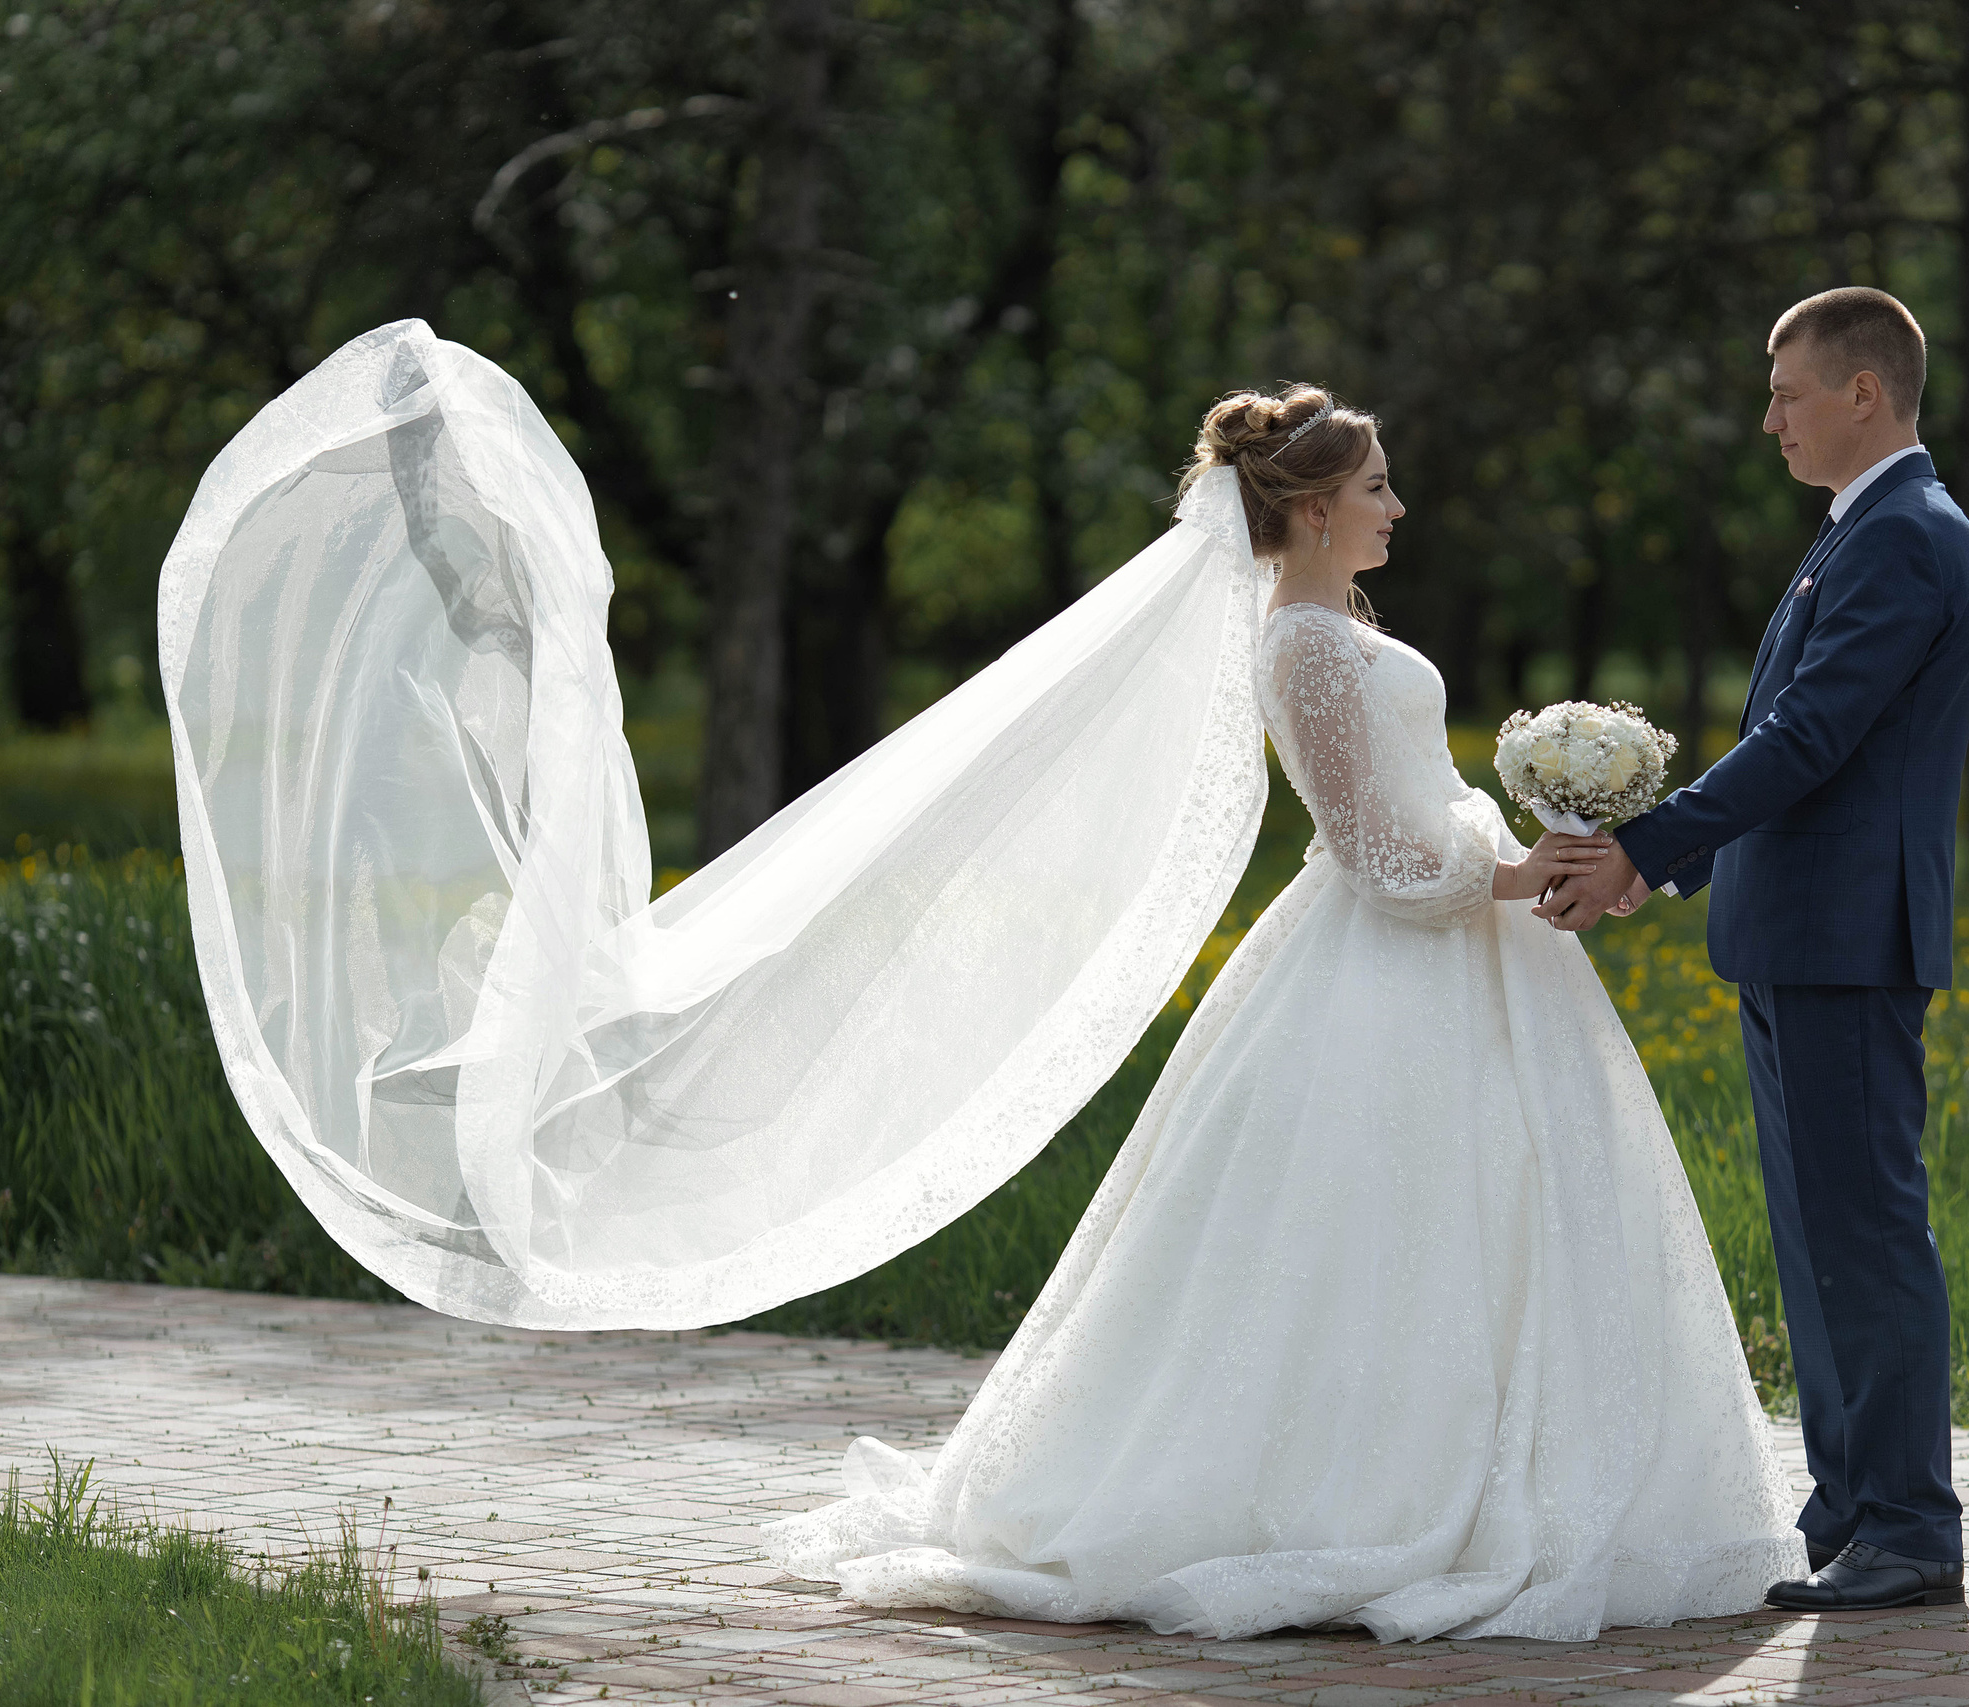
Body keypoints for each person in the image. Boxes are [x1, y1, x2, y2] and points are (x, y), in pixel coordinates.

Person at [757, 385, 1808, 1640]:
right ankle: (1352, 1497)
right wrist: (1519, 872)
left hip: (1453, 951)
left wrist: (1541, 848)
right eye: (1374, 488)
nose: (1395, 507)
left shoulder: (1328, 629)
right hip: (1382, 960)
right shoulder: (1301, 642)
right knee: (1367, 1225)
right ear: (1311, 511)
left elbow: (1406, 803)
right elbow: (1369, 852)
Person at [1539, 287, 1969, 1613]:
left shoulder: (1905, 537)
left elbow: (1809, 740)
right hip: (1798, 935)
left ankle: (1909, 1523)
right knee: (1816, 1244)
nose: (1770, 417)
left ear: (1867, 393)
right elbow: (1799, 751)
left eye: (1790, 392)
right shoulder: (1856, 535)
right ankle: (1854, 1512)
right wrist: (1671, 857)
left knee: (1865, 1236)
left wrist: (1645, 846)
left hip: (1849, 944)